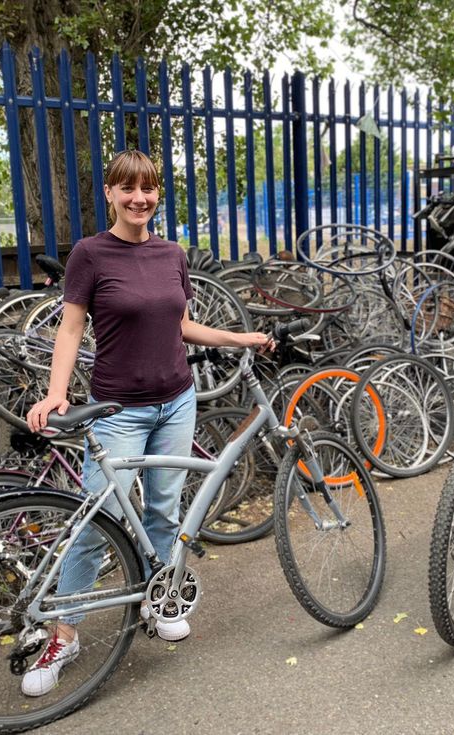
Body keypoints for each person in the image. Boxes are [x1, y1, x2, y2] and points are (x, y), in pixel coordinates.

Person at [21, 150, 273, 696]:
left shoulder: (171, 253)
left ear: (158, 194)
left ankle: (158, 600)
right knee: (98, 520)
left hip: (177, 401)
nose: (140, 198)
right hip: (117, 410)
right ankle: (64, 632)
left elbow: (180, 324)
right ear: (110, 193)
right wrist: (56, 394)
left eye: (149, 188)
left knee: (164, 509)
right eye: (128, 188)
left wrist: (237, 338)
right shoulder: (89, 254)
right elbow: (70, 331)